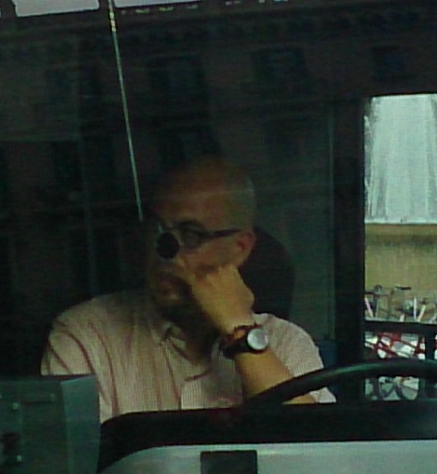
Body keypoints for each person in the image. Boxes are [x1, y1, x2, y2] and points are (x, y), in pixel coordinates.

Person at [42, 156, 325, 419]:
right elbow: (76, 466)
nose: (164, 253)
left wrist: (240, 332)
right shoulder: (89, 337)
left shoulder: (287, 345)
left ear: (240, 248)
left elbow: (319, 453)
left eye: (190, 235)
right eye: (157, 231)